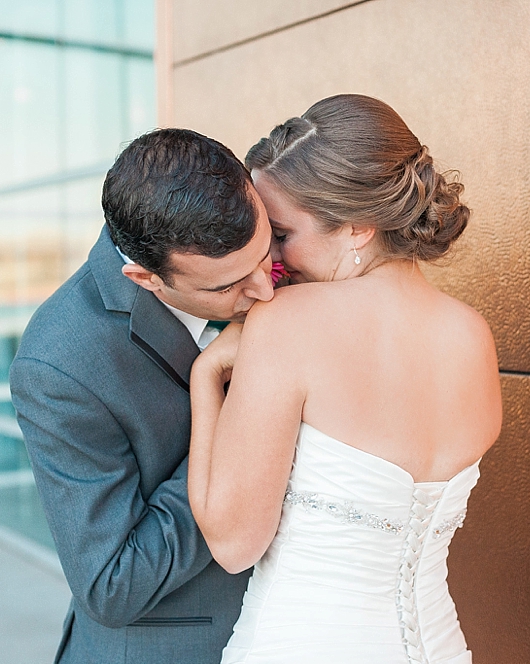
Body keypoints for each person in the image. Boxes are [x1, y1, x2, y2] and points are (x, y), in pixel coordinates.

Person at [187, 94, 503, 663]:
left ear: (357, 227)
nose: (270, 261)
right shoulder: (471, 334)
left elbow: (234, 545)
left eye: (281, 233)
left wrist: (206, 377)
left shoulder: (286, 323)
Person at [9, 128, 276, 663]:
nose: (266, 290)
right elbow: (114, 584)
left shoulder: (258, 254)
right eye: (227, 287)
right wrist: (233, 422)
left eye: (265, 255)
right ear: (146, 277)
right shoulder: (60, 366)